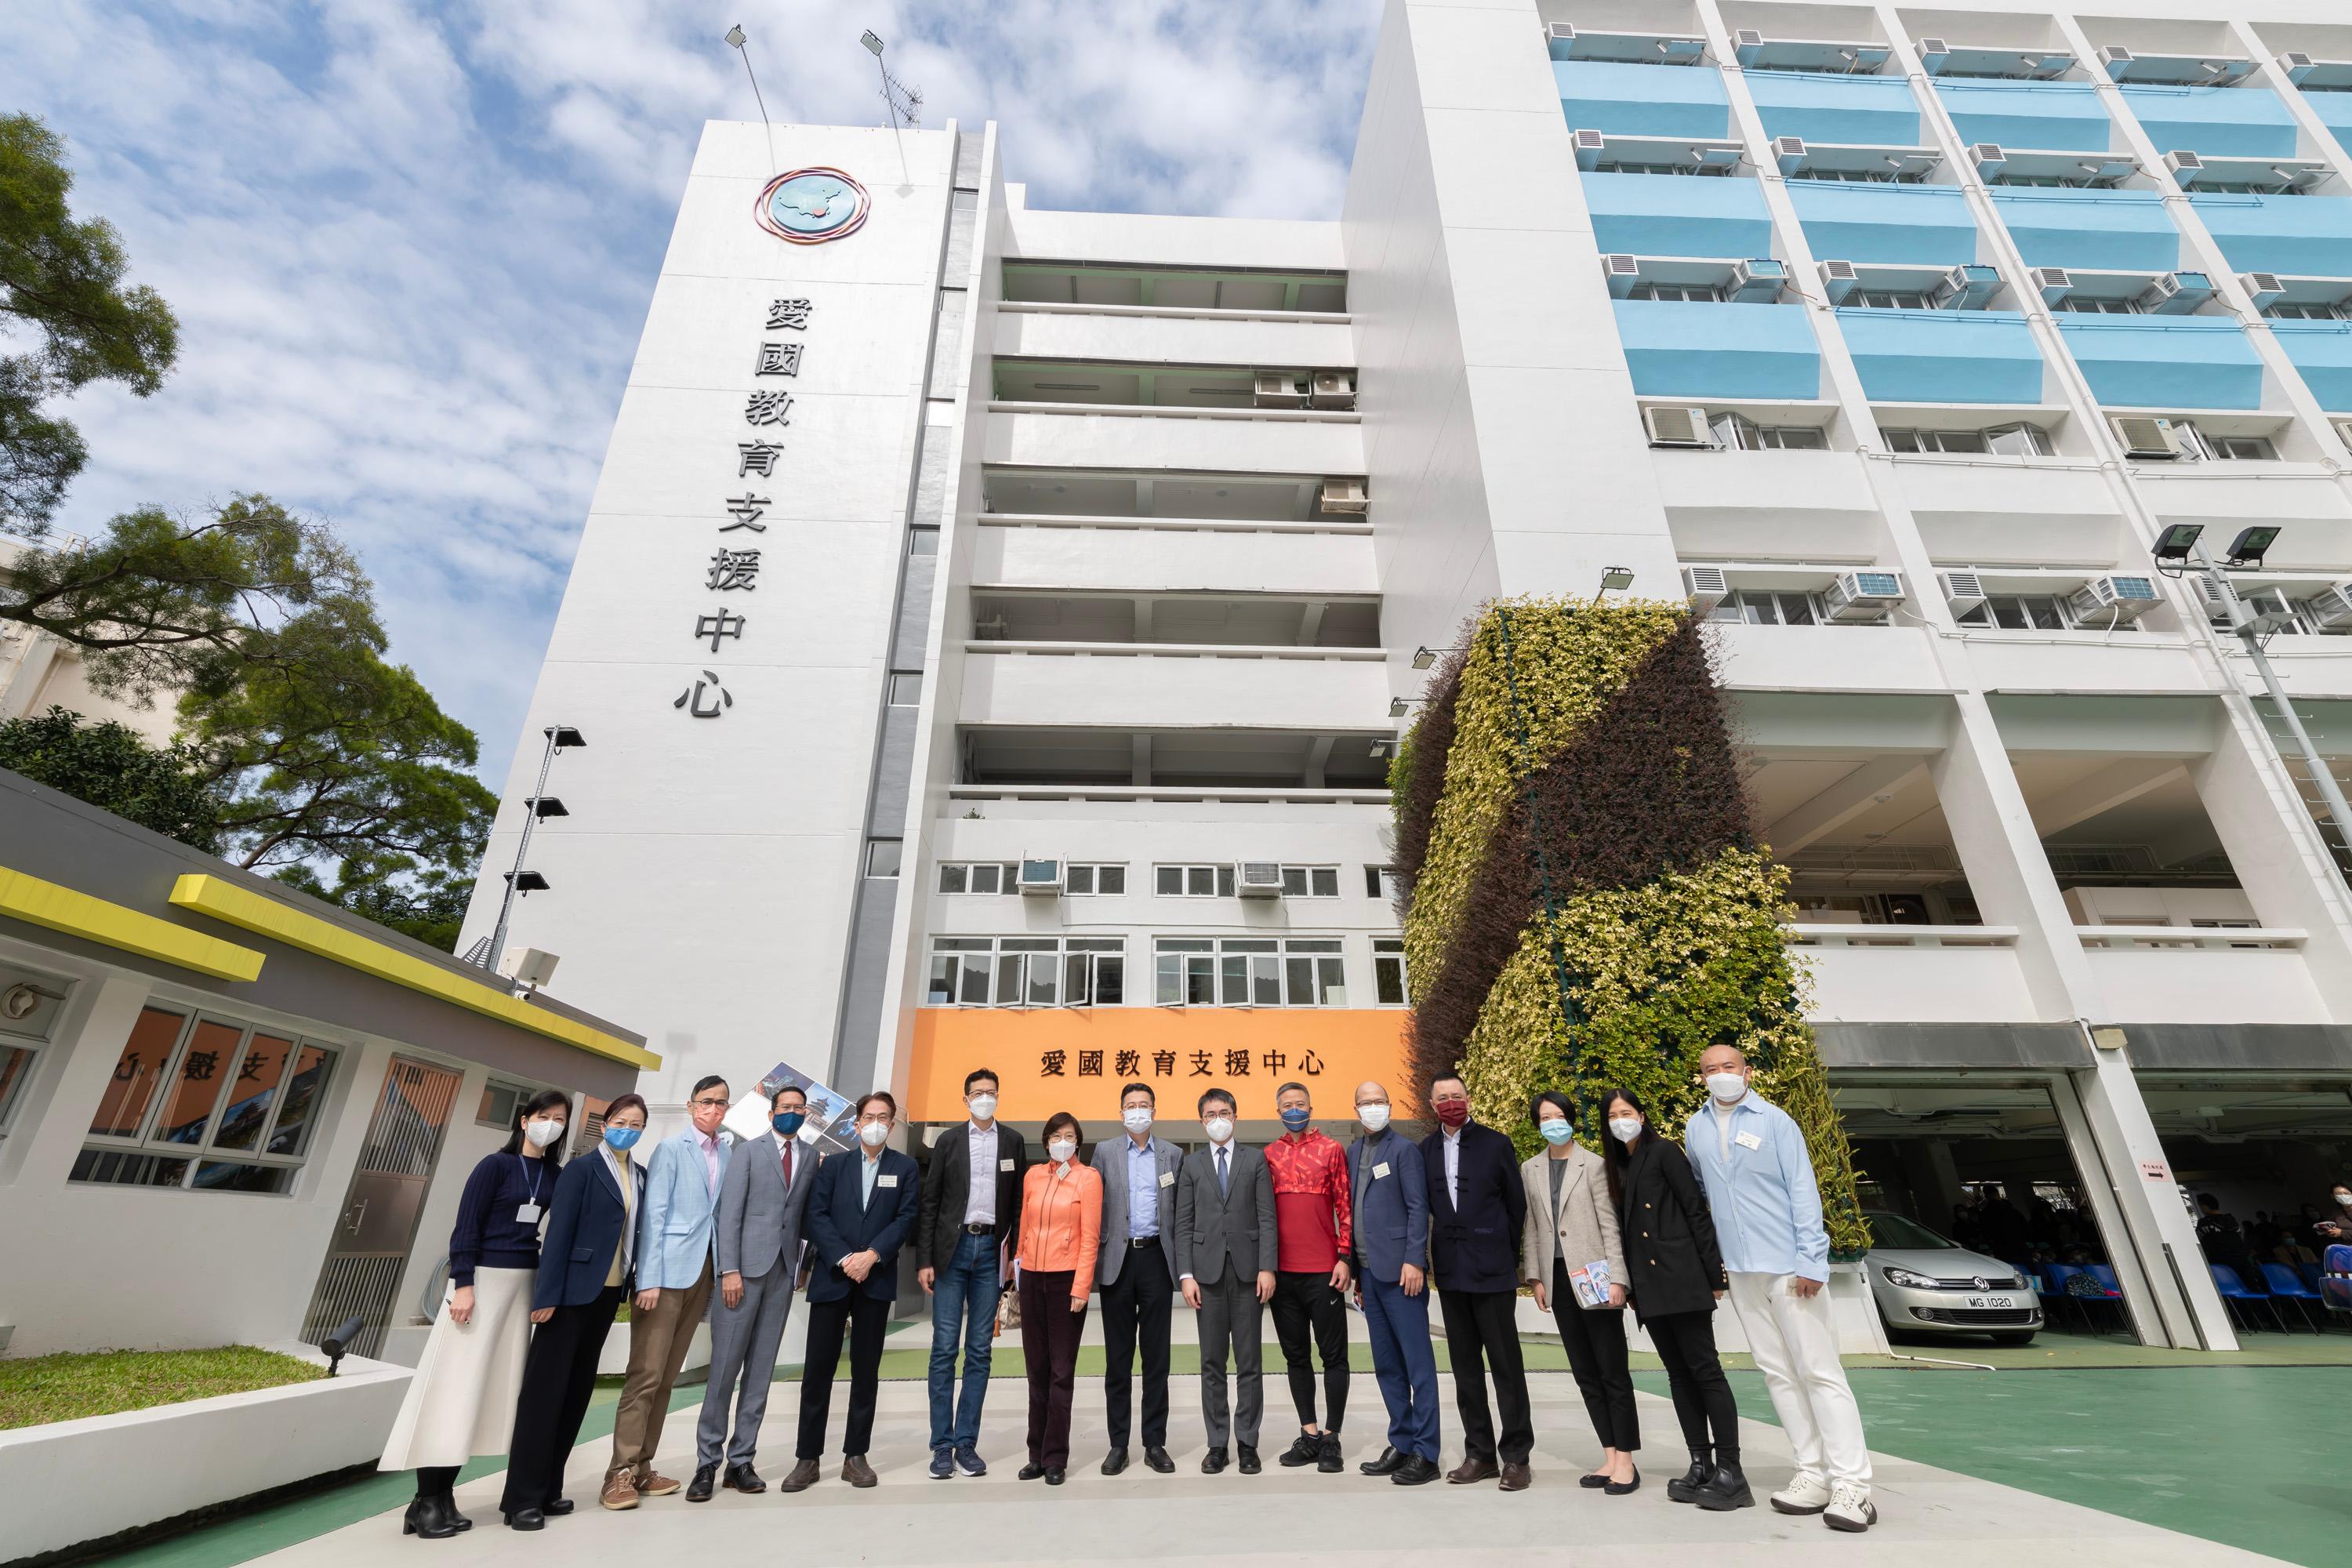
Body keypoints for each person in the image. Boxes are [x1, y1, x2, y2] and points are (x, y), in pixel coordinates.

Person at [1686, 1044, 1876, 1533]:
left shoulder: (1775, 1121)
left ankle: (1852, 1484)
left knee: (1819, 1371)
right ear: (1702, 1077)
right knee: (1777, 1373)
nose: (1720, 1075)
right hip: (1740, 1269)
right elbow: (1703, 1195)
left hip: (1790, 1267)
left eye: (1729, 1067)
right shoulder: (1696, 1128)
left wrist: (1812, 1259)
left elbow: (1802, 1189)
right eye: (1711, 1070)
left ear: (1747, 1072)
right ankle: (1812, 1473)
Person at [380, 1089, 570, 1538]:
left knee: (481, 1393)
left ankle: (442, 1499)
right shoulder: (494, 1166)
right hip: (480, 1284)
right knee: (454, 1388)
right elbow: (466, 1226)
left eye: (560, 1119)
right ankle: (427, 1500)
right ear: (524, 1120)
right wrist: (463, 1284)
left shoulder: (554, 1174)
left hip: (521, 1288)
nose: (551, 1124)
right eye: (544, 1115)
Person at [499, 1093, 649, 1530]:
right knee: (544, 1396)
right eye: (621, 1122)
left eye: (636, 1125)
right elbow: (559, 1234)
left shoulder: (639, 1175)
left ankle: (549, 1489)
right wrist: (546, 1297)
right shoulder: (581, 1170)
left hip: (607, 1295)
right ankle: (521, 1499)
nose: (627, 1130)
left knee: (576, 1393)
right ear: (605, 1125)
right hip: (568, 1296)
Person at [1604, 1087, 1746, 1510]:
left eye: (1626, 1112)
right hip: (1649, 1288)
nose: (1620, 1121)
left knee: (1706, 1371)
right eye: (1612, 1115)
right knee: (1679, 1376)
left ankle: (1732, 1472)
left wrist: (1713, 1274)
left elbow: (1695, 1210)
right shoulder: (1618, 1165)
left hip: (1682, 1278)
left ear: (1641, 1116)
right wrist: (1632, 1288)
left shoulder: (1664, 1152)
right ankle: (1700, 1462)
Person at [780, 1091, 920, 1493]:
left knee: (865, 1370)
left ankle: (855, 1455)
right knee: (817, 1370)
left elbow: (906, 1218)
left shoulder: (905, 1167)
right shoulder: (833, 1165)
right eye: (869, 1117)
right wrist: (845, 1258)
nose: (876, 1123)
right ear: (857, 1124)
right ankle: (807, 1458)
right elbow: (817, 1215)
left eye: (884, 1117)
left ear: (892, 1124)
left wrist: (871, 1255)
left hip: (875, 1278)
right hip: (833, 1276)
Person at [604, 1074, 731, 1509]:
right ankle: (619, 1473)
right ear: (691, 1105)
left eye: (721, 1103)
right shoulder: (671, 1149)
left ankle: (643, 1467)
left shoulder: (728, 1152)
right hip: (665, 1275)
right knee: (645, 1375)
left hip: (703, 1273)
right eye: (706, 1101)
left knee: (667, 1377)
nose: (713, 1109)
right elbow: (653, 1215)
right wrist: (649, 1279)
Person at [688, 1082, 818, 1501]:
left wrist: (803, 1266)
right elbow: (729, 1214)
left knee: (760, 1374)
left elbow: (803, 1217)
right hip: (741, 1274)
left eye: (799, 1107)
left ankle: (741, 1460)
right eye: (786, 1106)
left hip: (782, 1273)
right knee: (724, 1370)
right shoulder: (747, 1152)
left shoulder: (810, 1156)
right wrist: (729, 1269)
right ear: (771, 1112)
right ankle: (707, 1463)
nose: (792, 1112)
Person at [1420, 1073, 1532, 1490]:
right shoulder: (1425, 1150)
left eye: (1457, 1095)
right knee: (1466, 1370)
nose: (1450, 1102)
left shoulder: (1496, 1143)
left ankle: (1517, 1457)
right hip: (1451, 1274)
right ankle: (1480, 1453)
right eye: (1442, 1098)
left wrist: (1503, 1251)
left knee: (1506, 1366)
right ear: (1432, 1104)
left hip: (1492, 1271)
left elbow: (1516, 1205)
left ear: (1468, 1099)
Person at [914, 1068, 1027, 1479]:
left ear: (999, 1096)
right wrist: (924, 1259)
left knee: (979, 1350)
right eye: (977, 1093)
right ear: (965, 1100)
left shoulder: (1012, 1141)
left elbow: (1018, 1203)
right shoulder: (948, 1141)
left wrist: (1014, 1255)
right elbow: (931, 1202)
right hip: (952, 1250)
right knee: (944, 1348)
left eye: (990, 1092)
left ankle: (966, 1443)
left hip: (992, 1252)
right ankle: (941, 1446)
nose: (985, 1098)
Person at [1520, 1091, 1635, 1495]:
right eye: (1545, 1117)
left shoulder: (1595, 1165)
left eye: (1559, 1115)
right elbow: (1532, 1226)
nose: (1553, 1123)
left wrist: (1618, 1279)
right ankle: (1610, 1455)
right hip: (1557, 1278)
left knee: (1612, 1370)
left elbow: (1610, 1226)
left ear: (1571, 1119)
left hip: (1596, 1277)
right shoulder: (1530, 1168)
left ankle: (1627, 1461)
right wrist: (1535, 1277)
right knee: (1585, 1373)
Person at [1173, 1086, 1277, 1474]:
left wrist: (1268, 1267)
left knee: (1250, 1362)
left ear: (1235, 1116)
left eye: (1224, 1113)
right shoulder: (1192, 1165)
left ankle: (1247, 1443)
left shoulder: (1256, 1159)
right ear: (1201, 1121)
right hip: (1207, 1275)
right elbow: (1183, 1223)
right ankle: (1217, 1444)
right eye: (1210, 1115)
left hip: (1249, 1273)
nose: (1218, 1120)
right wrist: (1186, 1274)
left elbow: (1267, 1217)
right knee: (1212, 1362)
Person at [1347, 1080, 1440, 1486]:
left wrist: (1414, 1260)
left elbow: (1419, 1208)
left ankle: (1427, 1452)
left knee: (1418, 1366)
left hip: (1403, 1275)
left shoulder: (1404, 1150)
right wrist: (1354, 1271)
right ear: (1355, 1110)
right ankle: (1401, 1442)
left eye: (1378, 1101)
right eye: (1365, 1102)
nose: (1373, 1107)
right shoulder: (1353, 1152)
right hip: (1369, 1275)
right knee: (1387, 1366)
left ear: (1389, 1105)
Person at [1091, 1080, 1183, 1475]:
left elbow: (1180, 1211)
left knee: (1157, 1357)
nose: (1138, 1111)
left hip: (1157, 1260)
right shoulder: (1104, 1151)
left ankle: (1154, 1442)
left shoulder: (1172, 1155)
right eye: (1131, 1105)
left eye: (1144, 1104)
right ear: (1121, 1112)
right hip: (1117, 1259)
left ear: (1154, 1112)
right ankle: (1118, 1444)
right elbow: (1094, 1206)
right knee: (1118, 1359)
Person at [1265, 1080, 1352, 1473]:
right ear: (1278, 1111)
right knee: (1296, 1357)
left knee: (1334, 1356)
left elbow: (1345, 1205)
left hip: (1325, 1273)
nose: (1294, 1109)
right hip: (1283, 1277)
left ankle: (1332, 1438)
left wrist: (1344, 1257)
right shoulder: (1269, 1154)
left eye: (1300, 1103)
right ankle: (1310, 1434)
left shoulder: (1331, 1150)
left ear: (1311, 1108)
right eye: (1287, 1105)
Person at [1014, 1112, 1102, 1485]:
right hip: (1032, 1277)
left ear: (1077, 1142)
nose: (1061, 1142)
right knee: (1036, 1370)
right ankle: (1035, 1454)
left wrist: (1082, 1287)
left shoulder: (1089, 1178)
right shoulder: (1033, 1175)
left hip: (1067, 1279)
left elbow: (1090, 1237)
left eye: (1068, 1136)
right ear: (1046, 1141)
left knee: (1061, 1371)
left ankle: (1055, 1457)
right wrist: (1017, 1273)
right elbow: (1024, 1228)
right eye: (1055, 1136)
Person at [2195, 1192, 2259, 1288]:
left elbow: (2200, 1243)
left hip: (2221, 1266)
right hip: (2242, 1262)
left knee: (2228, 1290)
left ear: (2204, 1206)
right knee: (2251, 1289)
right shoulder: (2231, 1220)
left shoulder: (2203, 1223)